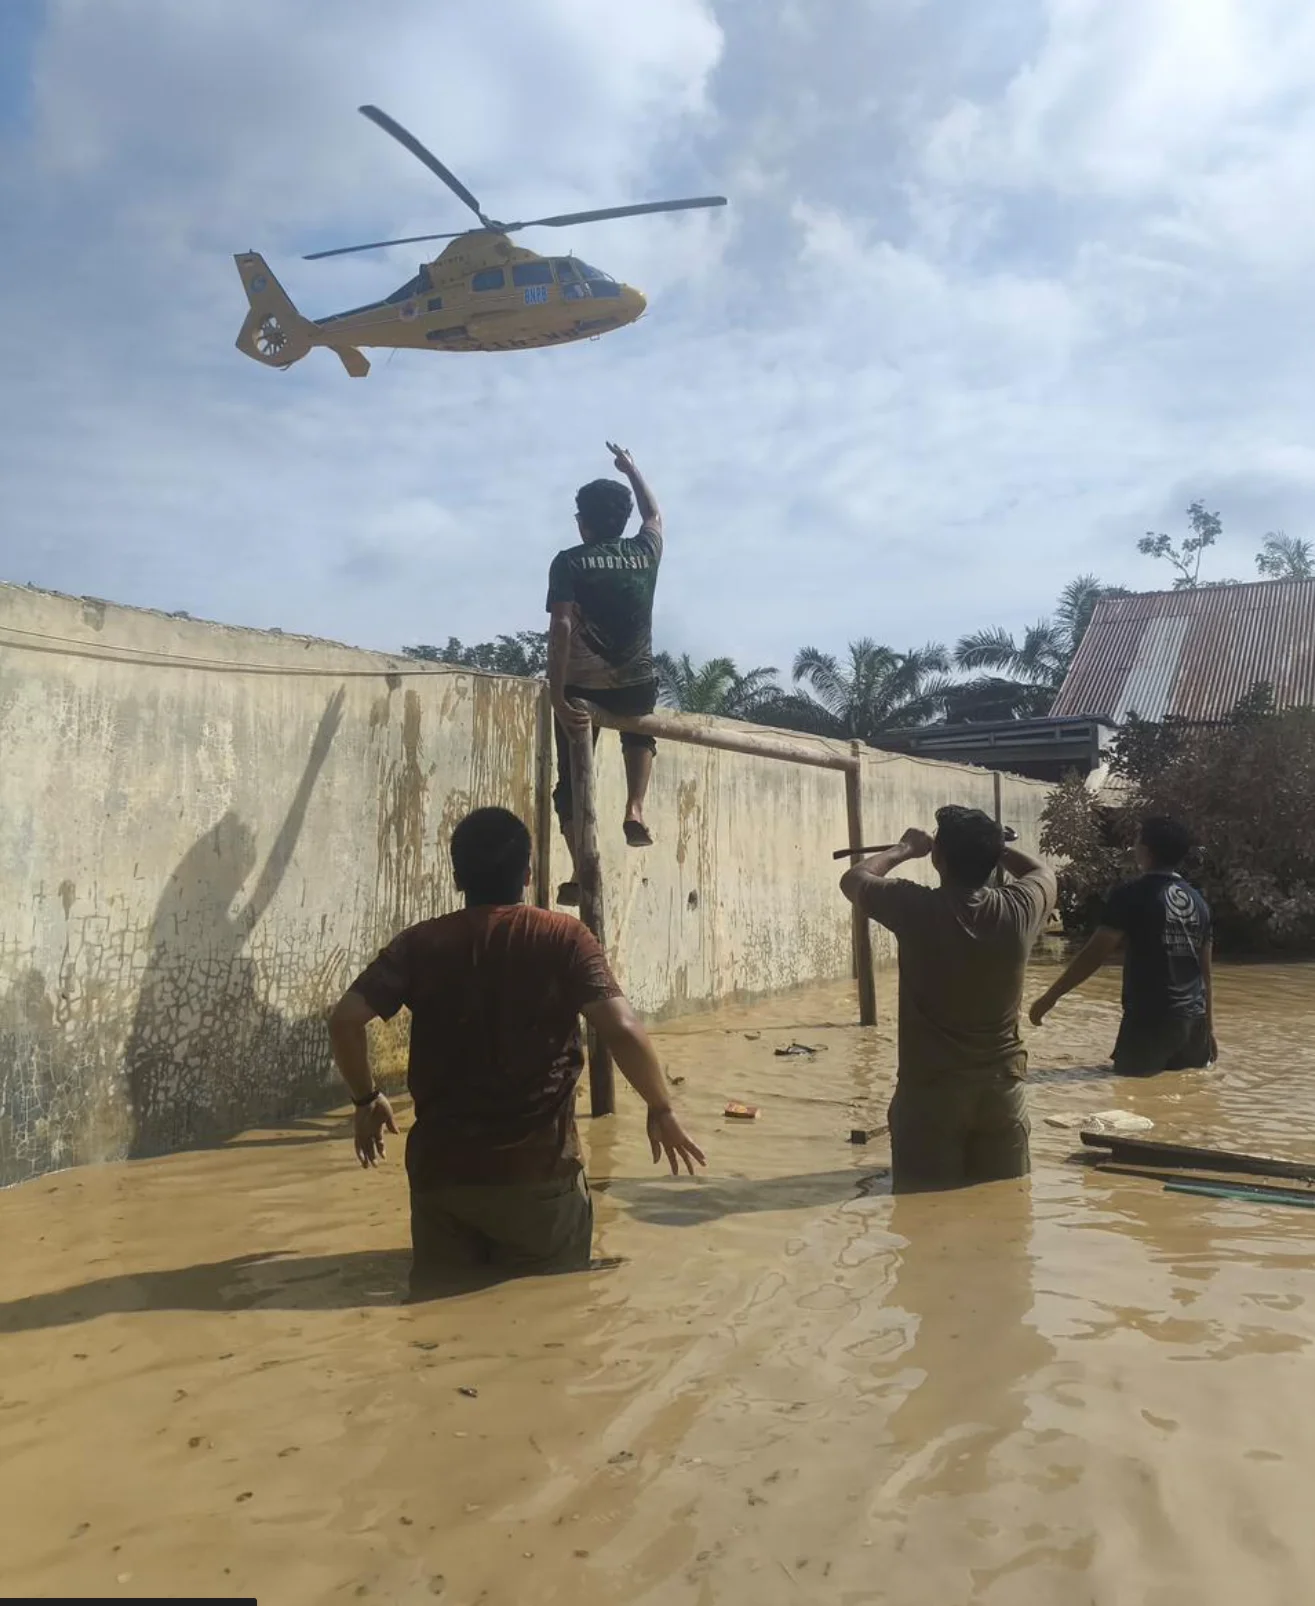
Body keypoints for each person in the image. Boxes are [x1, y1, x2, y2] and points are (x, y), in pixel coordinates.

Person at [328, 806, 704, 1297]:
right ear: (527, 874)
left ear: (458, 876)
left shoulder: (419, 944)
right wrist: (661, 1107)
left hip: (442, 1180)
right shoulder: (565, 938)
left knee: (439, 1317)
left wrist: (365, 1099)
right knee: (551, 1320)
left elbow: (344, 1020)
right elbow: (623, 1030)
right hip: (539, 1180)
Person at [840, 807, 1058, 1193]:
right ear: (993, 860)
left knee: (920, 1215)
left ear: (937, 858)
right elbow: (1043, 873)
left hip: (929, 1096)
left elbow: (854, 878)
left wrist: (905, 848)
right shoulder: (1021, 908)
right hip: (1002, 1092)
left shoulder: (914, 907)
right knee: (1005, 1220)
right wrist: (999, 847)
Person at [547, 441, 663, 906]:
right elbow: (655, 515)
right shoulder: (645, 551)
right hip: (636, 684)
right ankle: (635, 806)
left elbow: (561, 626)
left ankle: (582, 869)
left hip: (581, 688)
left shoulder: (570, 561)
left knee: (572, 782)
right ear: (621, 519)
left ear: (583, 521)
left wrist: (556, 694)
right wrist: (633, 469)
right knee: (640, 735)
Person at [1029, 815, 1215, 1075]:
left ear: (1146, 850)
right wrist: (1209, 1030)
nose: (1133, 846)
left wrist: (1049, 998)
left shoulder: (1130, 895)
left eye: (1137, 841)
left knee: (1129, 1093)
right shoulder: (1198, 902)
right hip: (1193, 1023)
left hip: (1149, 1020)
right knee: (1183, 1098)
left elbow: (1093, 956)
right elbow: (1205, 973)